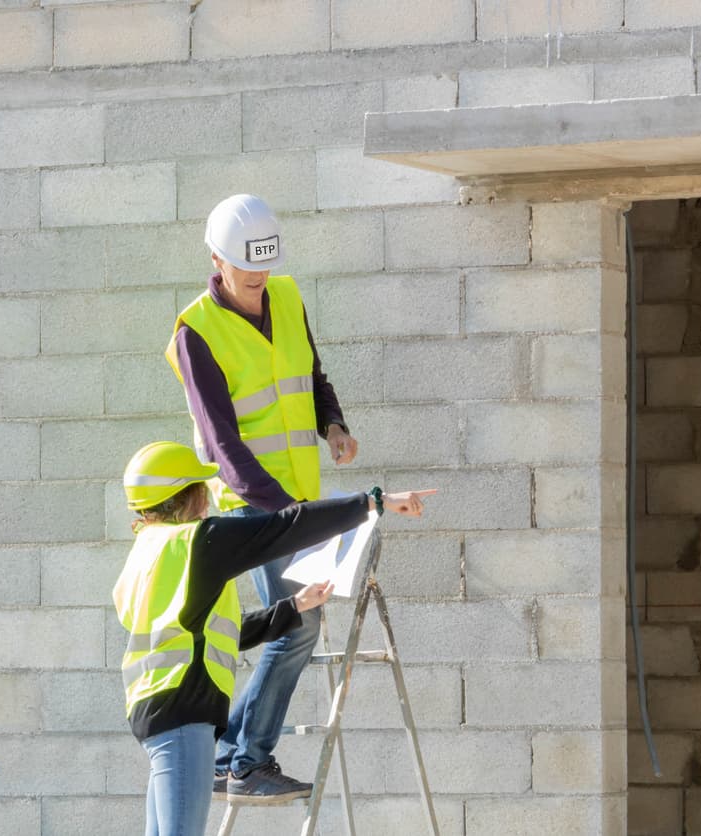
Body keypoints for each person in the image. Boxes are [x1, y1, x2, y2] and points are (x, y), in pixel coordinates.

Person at [113, 441, 433, 836]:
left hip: (158, 712)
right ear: (188, 494)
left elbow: (217, 630)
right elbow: (286, 527)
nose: (208, 500)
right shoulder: (199, 542)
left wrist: (292, 608)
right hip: (183, 715)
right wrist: (372, 502)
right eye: (203, 489)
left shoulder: (147, 552)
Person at [163, 193, 362, 801]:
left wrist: (333, 424)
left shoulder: (288, 295)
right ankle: (243, 761)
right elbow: (222, 444)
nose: (258, 285)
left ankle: (234, 758)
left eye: (264, 272)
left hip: (299, 499)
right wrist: (286, 515)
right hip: (254, 503)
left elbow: (312, 375)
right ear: (217, 259)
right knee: (297, 625)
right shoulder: (195, 332)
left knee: (300, 622)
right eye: (246, 274)